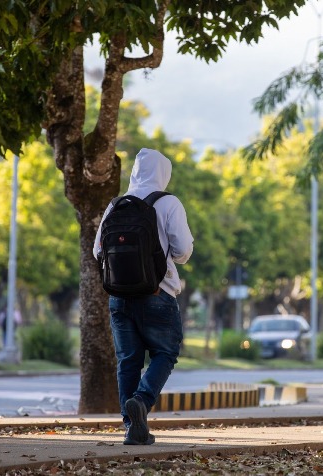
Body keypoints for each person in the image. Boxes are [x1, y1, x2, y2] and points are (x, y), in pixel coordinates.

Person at [93, 148, 194, 446]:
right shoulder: (168, 202)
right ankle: (141, 399)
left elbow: (97, 251)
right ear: (164, 173)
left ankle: (131, 427)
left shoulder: (116, 205)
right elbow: (184, 252)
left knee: (128, 360)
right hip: (157, 293)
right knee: (165, 352)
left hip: (119, 299)